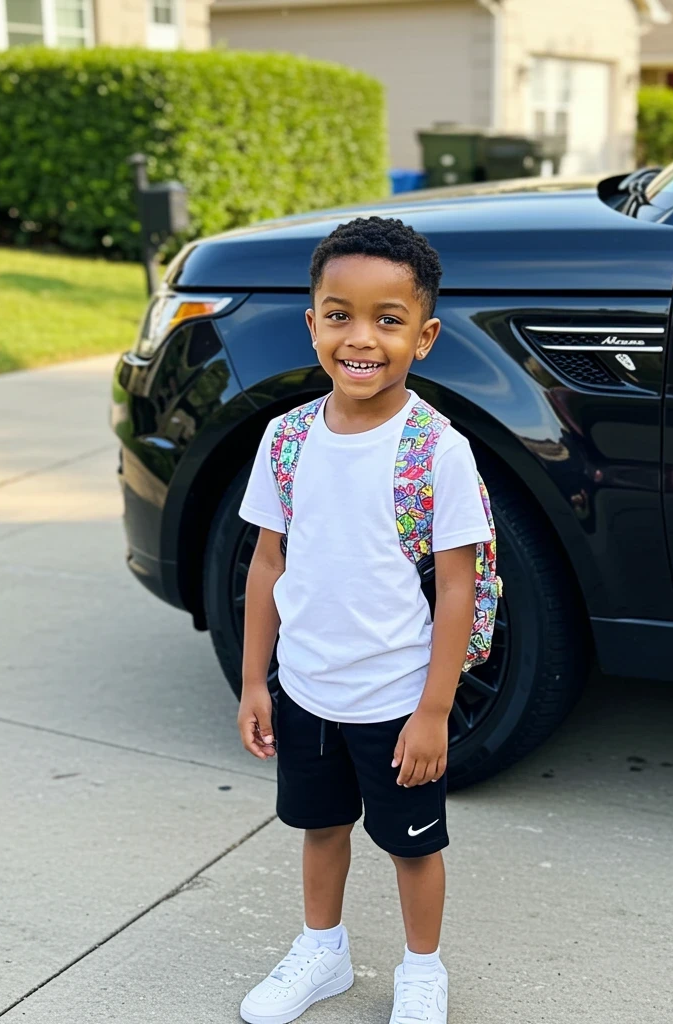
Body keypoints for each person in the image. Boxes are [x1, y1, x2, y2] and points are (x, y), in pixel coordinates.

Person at [235, 216, 495, 1024]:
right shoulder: (285, 441)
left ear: (424, 336)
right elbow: (267, 565)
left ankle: (423, 969)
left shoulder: (436, 450)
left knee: (413, 844)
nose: (362, 338)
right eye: (340, 314)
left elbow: (458, 587)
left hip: (396, 698)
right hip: (308, 688)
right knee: (321, 826)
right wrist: (255, 681)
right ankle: (324, 950)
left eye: (389, 320)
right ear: (312, 323)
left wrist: (434, 711)